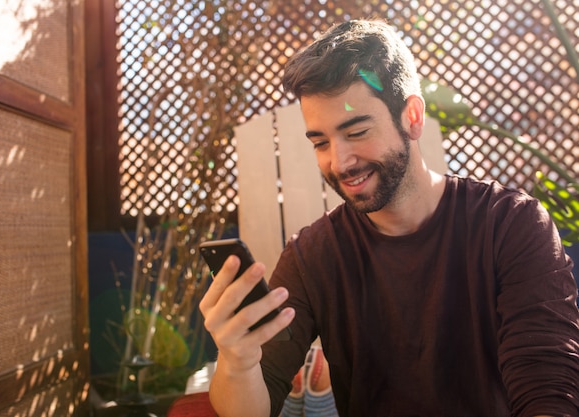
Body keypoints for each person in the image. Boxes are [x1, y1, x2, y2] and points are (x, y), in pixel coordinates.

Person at [199, 18, 579, 417]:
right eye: (321, 142)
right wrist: (237, 361)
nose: (339, 161)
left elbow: (549, 387)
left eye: (357, 131)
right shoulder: (313, 255)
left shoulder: (511, 225)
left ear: (412, 117)